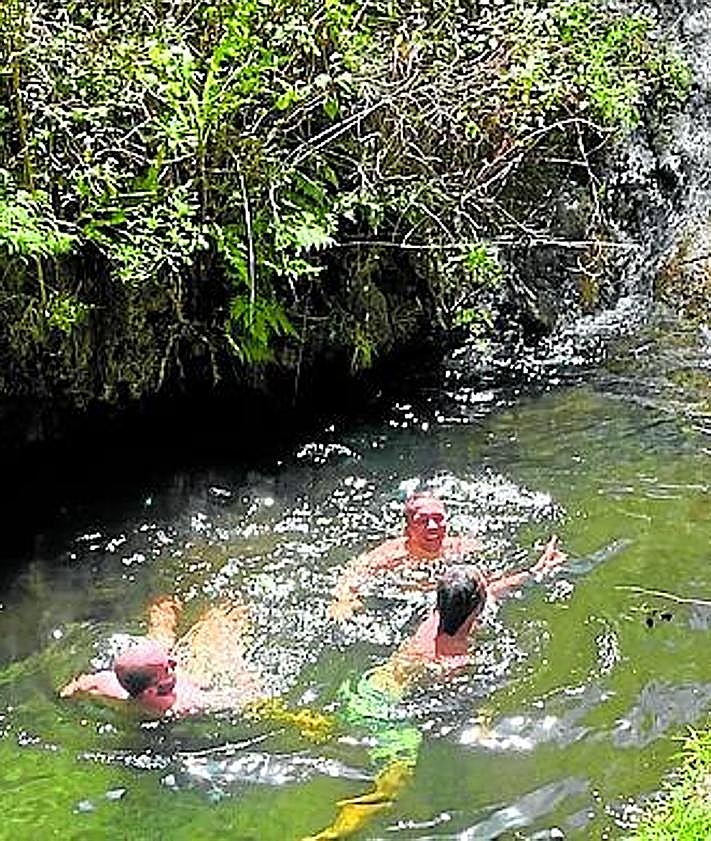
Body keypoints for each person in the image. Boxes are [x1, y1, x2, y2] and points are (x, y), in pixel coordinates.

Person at [307, 547, 566, 839]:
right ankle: (329, 836)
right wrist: (483, 719)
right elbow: (460, 701)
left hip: (359, 688)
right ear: (477, 608)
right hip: (380, 712)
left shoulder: (433, 621)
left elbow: (490, 592)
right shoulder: (455, 660)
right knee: (393, 786)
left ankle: (311, 724)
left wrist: (534, 572)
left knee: (338, 732)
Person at [59, 596, 333, 740]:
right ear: (154, 688)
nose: (173, 663)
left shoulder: (108, 685)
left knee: (161, 636)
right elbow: (251, 703)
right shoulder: (183, 703)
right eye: (168, 667)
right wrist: (302, 721)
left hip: (147, 677)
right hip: (197, 678)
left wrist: (65, 696)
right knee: (224, 621)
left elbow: (79, 685)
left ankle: (165, 603)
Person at [328, 491, 564, 621]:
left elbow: (492, 575)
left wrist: (536, 569)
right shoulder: (391, 555)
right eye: (423, 520)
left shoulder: (461, 548)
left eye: (438, 519)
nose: (433, 526)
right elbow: (353, 573)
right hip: (398, 602)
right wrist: (343, 600)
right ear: (408, 529)